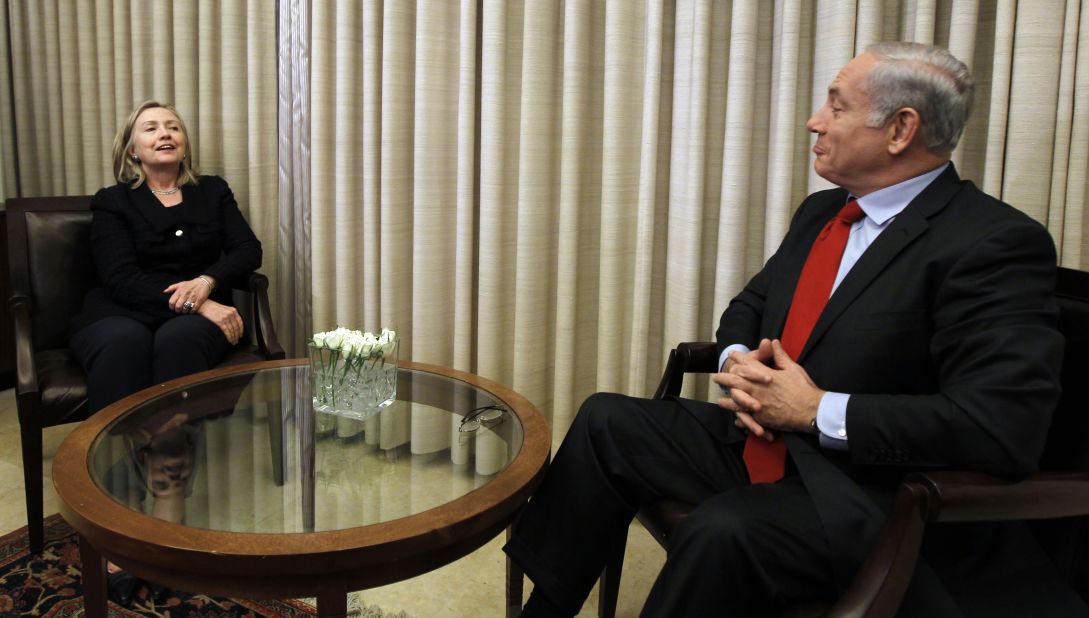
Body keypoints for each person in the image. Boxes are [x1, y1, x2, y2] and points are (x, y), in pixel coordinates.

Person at [505, 42, 1086, 616]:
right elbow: (750, 305)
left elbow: (1002, 426)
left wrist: (815, 410)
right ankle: (546, 608)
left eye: (836, 106)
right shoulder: (823, 213)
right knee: (608, 419)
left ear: (900, 129)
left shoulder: (992, 243)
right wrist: (737, 361)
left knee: (722, 532)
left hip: (871, 493)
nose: (815, 122)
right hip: (766, 445)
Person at [69, 100, 262, 606]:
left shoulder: (212, 191)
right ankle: (113, 506)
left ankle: (167, 495)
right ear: (132, 149)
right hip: (122, 310)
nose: (164, 133)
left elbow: (248, 250)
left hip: (190, 319)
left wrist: (206, 281)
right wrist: (202, 304)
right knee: (123, 343)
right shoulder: (112, 202)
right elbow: (121, 278)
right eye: (150, 128)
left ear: (184, 142)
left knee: (175, 343)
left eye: (172, 126)